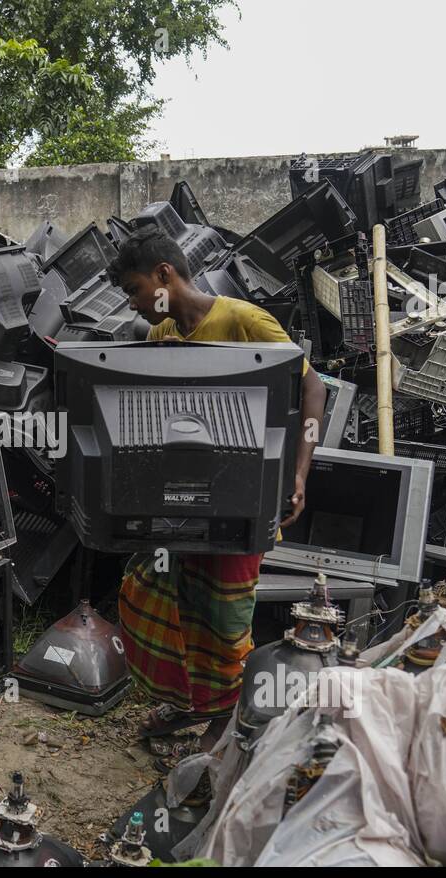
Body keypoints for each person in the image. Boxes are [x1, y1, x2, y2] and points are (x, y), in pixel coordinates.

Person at [107, 225, 327, 756]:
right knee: (157, 600)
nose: (134, 305)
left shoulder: (244, 320)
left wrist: (299, 473)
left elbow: (312, 385)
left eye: (135, 290)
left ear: (163, 276)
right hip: (179, 502)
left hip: (239, 503)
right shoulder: (161, 338)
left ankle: (220, 727)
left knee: (225, 619)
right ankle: (190, 702)